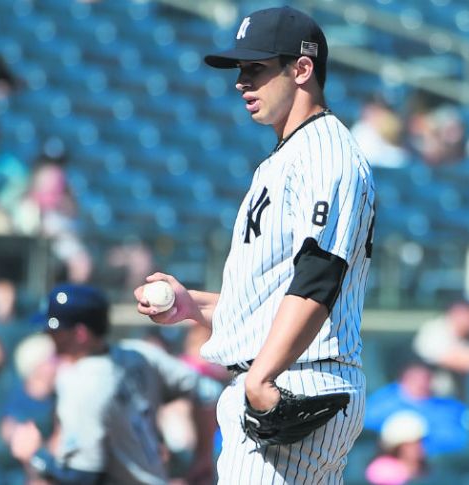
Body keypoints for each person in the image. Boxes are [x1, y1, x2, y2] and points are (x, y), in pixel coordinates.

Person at [135, 6, 376, 483]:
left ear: (302, 69)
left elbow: (319, 277)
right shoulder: (288, 155)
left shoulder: (326, 155)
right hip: (290, 372)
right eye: (241, 70)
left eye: (256, 69)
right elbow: (278, 299)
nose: (242, 82)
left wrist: (261, 378)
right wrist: (194, 306)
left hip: (297, 378)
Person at [9, 283, 221, 485]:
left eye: (56, 330)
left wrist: (35, 456)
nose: (49, 335)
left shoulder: (80, 382)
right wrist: (203, 455)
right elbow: (207, 391)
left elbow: (84, 478)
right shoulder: (138, 353)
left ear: (80, 334)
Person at [363, 358, 469, 456]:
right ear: (403, 379)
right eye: (415, 378)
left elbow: (460, 439)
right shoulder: (382, 403)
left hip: (443, 463)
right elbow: (365, 431)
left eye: (426, 378)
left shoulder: (449, 407)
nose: (421, 383)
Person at [365, 410, 429, 485]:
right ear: (397, 446)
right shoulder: (382, 468)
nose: (417, 447)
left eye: (419, 441)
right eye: (410, 444)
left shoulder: (424, 468)